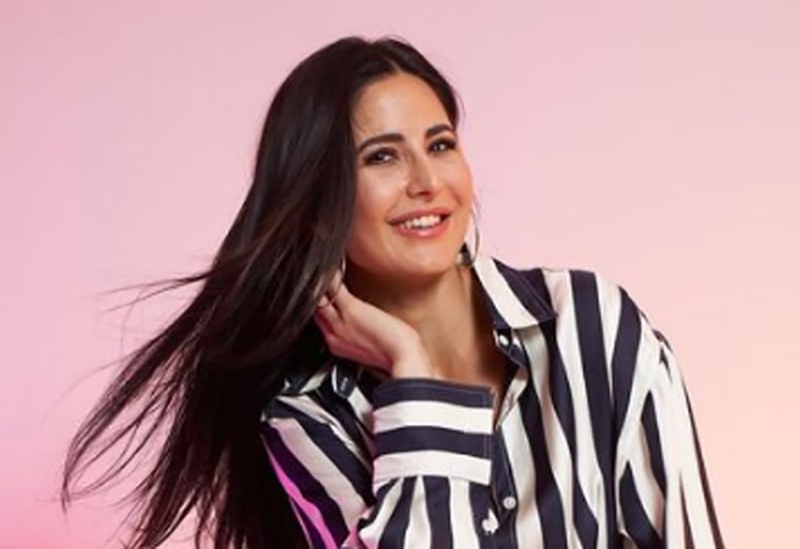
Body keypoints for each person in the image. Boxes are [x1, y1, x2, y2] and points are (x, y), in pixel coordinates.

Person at [61, 35, 724, 548]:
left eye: (440, 145)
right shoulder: (308, 415)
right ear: (320, 207)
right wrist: (413, 373)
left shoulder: (590, 325)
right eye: (382, 156)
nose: (426, 182)